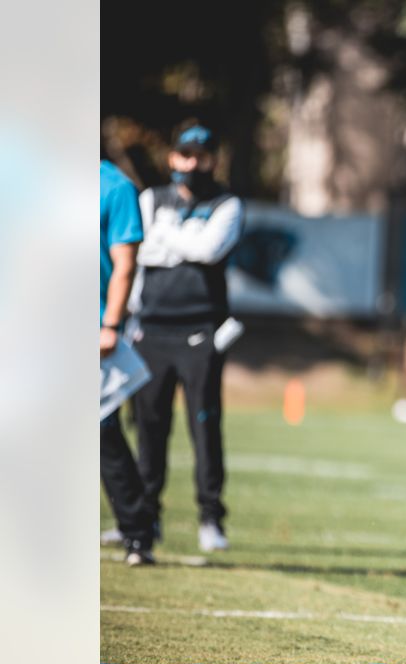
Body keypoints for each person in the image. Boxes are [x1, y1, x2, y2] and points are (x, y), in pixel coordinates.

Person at [130, 123, 244, 553]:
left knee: (204, 425)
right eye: (184, 155)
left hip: (201, 331)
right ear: (172, 157)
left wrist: (167, 239)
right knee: (148, 426)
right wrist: (182, 241)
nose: (191, 164)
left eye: (200, 156)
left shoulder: (227, 203)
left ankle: (211, 518)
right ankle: (143, 517)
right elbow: (138, 251)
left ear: (213, 159)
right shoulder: (151, 198)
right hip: (151, 328)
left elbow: (209, 250)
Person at [101, 157, 159, 567]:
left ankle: (138, 532)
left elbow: (124, 263)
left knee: (102, 429)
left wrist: (110, 323)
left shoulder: (114, 187)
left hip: (93, 326)